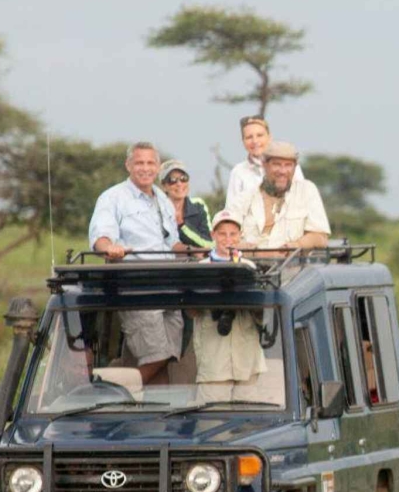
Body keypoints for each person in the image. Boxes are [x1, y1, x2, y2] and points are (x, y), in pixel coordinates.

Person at [88, 142, 183, 383]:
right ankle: (112, 389)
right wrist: (109, 248)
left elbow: (172, 244)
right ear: (128, 165)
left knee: (170, 354)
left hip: (170, 286)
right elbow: (101, 235)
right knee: (157, 353)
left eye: (150, 163)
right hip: (138, 286)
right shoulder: (113, 197)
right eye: (139, 162)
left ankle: (151, 411)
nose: (145, 168)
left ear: (158, 167)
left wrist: (204, 251)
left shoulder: (162, 199)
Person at [192, 211, 271, 402]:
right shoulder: (200, 268)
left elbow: (263, 315)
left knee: (248, 421)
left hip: (247, 359)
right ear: (213, 235)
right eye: (222, 234)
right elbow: (191, 312)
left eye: (233, 234)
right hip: (214, 361)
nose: (228, 239)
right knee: (211, 421)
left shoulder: (249, 267)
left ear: (240, 235)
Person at [231, 141, 332, 252]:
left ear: (295, 167)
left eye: (288, 165)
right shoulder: (245, 197)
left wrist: (297, 245)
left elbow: (320, 237)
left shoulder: (306, 191)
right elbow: (225, 236)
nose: (283, 171)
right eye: (277, 164)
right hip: (249, 265)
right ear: (264, 165)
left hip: (293, 265)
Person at [226, 115, 304, 211]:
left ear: (269, 137)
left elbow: (302, 201)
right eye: (249, 137)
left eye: (259, 135)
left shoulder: (289, 166)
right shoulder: (238, 172)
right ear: (243, 141)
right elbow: (231, 210)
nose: (255, 141)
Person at [159, 160, 212, 252]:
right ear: (164, 186)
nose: (179, 184)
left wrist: (182, 225)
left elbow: (209, 243)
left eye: (183, 178)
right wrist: (191, 250)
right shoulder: (155, 209)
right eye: (172, 180)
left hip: (196, 264)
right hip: (165, 263)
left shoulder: (198, 205)